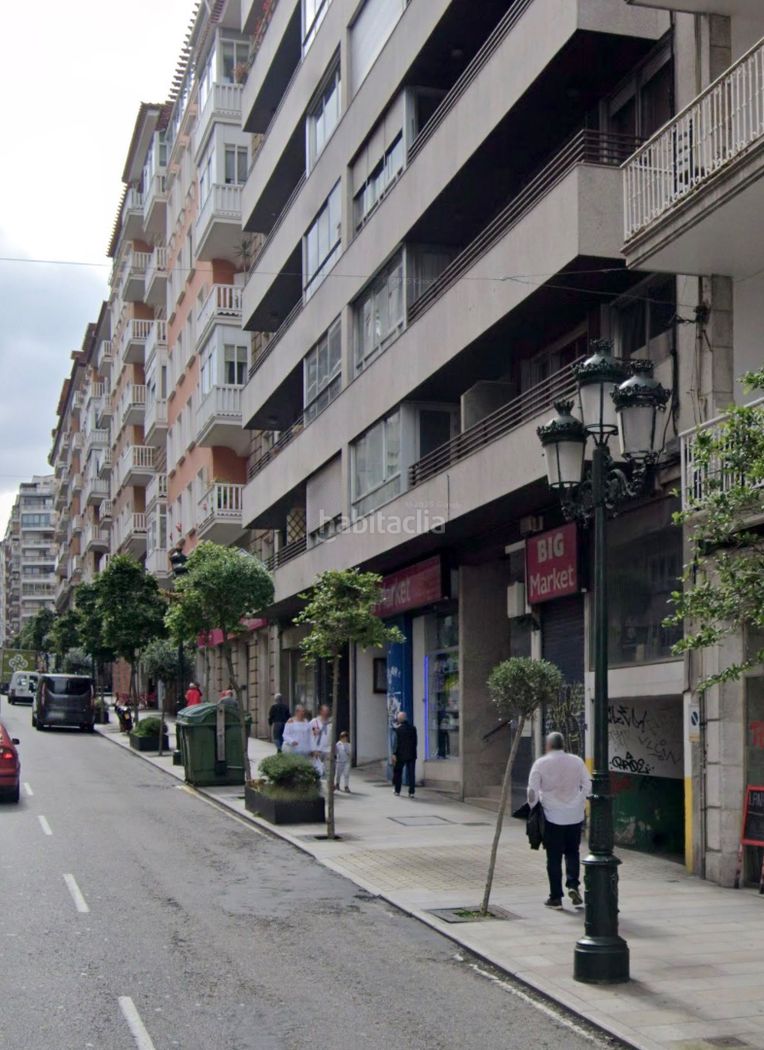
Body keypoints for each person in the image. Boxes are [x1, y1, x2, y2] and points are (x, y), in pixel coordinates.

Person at [527, 732, 591, 909]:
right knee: (572, 852)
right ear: (563, 745)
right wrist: (579, 801)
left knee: (553, 857)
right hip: (574, 816)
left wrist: (534, 807)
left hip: (552, 816)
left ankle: (556, 898)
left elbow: (532, 792)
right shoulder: (577, 761)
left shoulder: (540, 763)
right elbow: (588, 784)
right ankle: (573, 885)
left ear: (548, 745)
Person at [392, 711, 417, 798]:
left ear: (399, 719)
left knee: (398, 773)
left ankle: (397, 790)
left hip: (400, 754)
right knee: (411, 774)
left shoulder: (398, 730)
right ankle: (411, 792)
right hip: (412, 754)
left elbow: (395, 743)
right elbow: (415, 742)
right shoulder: (413, 728)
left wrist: (394, 753)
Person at [309, 705, 332, 776]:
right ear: (320, 711)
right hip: (317, 749)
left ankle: (328, 782)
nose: (326, 713)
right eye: (324, 711)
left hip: (328, 749)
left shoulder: (331, 722)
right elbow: (308, 732)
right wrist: (313, 731)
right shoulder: (314, 721)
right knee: (317, 769)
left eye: (327, 711)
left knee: (328, 770)